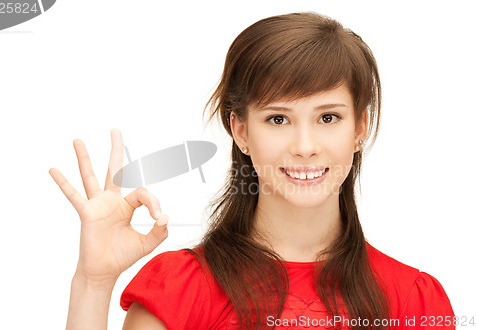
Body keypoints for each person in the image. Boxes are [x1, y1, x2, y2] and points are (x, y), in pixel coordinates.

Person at [50, 12, 455, 330]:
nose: (305, 146)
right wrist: (93, 283)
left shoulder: (412, 301)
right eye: (278, 119)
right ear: (240, 130)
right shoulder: (181, 290)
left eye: (328, 117)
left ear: (359, 128)